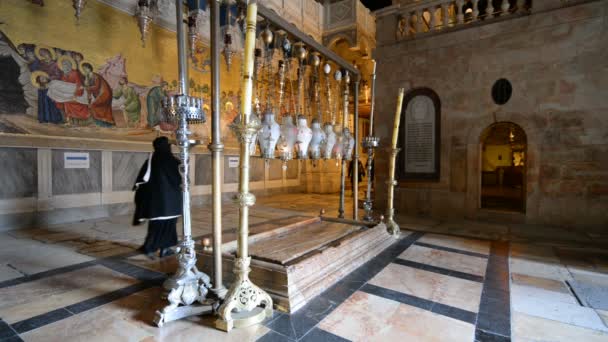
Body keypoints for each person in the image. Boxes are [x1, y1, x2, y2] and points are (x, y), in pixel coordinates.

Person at [133, 137, 182, 258]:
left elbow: (142, 181)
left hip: (156, 202)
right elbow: (180, 180)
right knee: (169, 226)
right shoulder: (173, 161)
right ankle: (163, 248)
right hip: (172, 202)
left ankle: (150, 247)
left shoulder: (151, 160)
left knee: (156, 226)